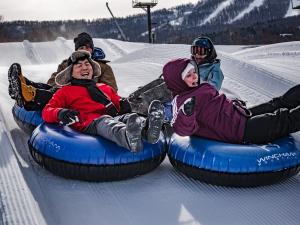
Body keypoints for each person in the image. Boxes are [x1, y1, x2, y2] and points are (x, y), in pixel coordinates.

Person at [42, 50, 165, 152]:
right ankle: (128, 139)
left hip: (112, 117)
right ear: (71, 73)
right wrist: (60, 113)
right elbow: (47, 110)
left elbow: (116, 104)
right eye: (79, 66)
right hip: (89, 123)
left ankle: (148, 130)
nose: (84, 67)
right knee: (105, 122)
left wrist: (124, 104)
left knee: (130, 117)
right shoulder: (65, 91)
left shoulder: (104, 87)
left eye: (87, 64)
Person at [162, 58, 300, 144]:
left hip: (240, 116)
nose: (195, 77)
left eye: (194, 72)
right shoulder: (182, 102)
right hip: (240, 131)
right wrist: (186, 113)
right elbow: (181, 129)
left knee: (276, 104)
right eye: (188, 76)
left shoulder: (197, 88)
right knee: (283, 120)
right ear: (177, 81)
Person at [8, 32, 118, 111]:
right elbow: (52, 81)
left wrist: (82, 86)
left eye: (88, 47)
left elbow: (110, 90)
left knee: (56, 94)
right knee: (53, 91)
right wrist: (66, 86)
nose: (85, 49)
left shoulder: (103, 67)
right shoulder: (67, 64)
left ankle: (29, 94)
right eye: (81, 47)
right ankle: (23, 83)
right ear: (76, 49)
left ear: (92, 49)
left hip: (88, 98)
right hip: (64, 93)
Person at [128, 36, 224, 116]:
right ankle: (132, 98)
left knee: (167, 88)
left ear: (209, 53)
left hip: (192, 97)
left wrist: (193, 83)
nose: (197, 55)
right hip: (183, 89)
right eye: (194, 51)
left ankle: (137, 108)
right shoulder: (192, 64)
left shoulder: (215, 70)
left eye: (201, 52)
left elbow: (211, 90)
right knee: (161, 81)